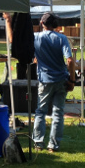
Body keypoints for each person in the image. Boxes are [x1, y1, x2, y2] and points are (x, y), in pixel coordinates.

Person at [31, 12, 77, 152]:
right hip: (61, 79)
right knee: (58, 113)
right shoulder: (62, 38)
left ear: (42, 23)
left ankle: (38, 142)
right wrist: (72, 80)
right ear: (55, 24)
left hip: (45, 80)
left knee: (41, 111)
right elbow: (69, 60)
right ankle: (54, 145)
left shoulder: (35, 37)